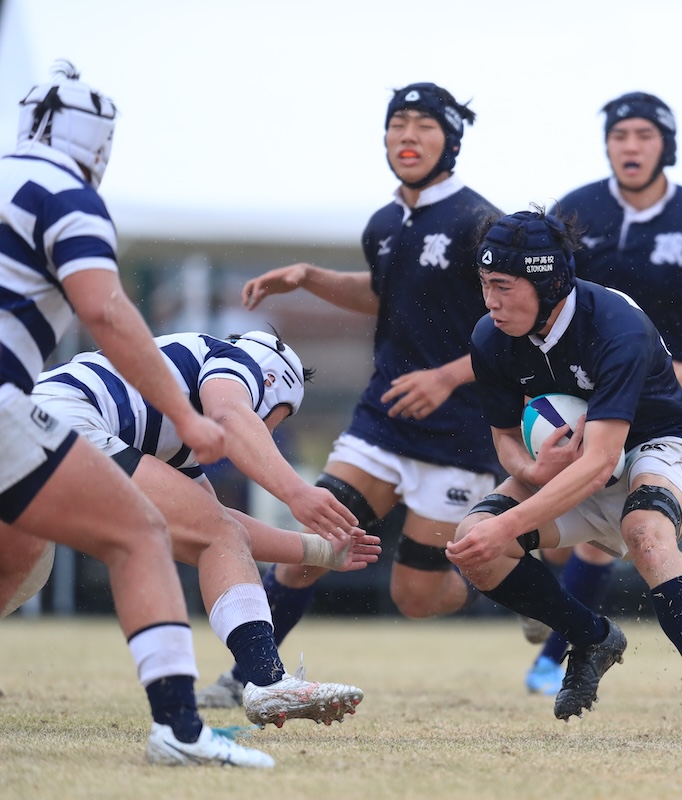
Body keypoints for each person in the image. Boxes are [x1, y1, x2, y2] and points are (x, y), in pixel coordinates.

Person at [0, 61, 271, 767]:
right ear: (97, 142)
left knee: (16, 551)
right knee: (139, 532)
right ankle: (179, 729)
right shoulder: (69, 197)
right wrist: (185, 413)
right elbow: (106, 311)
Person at [198, 82, 502, 707]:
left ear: (452, 140)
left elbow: (518, 327)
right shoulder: (385, 223)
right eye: (397, 124)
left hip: (459, 434)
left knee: (415, 598)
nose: (407, 136)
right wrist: (310, 277)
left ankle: (508, 579)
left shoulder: (482, 223)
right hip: (381, 422)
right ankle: (250, 675)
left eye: (424, 125)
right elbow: (385, 292)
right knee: (312, 545)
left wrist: (447, 376)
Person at [449, 208, 682, 743]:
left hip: (655, 446)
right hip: (576, 463)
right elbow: (505, 438)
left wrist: (510, 524)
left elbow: (599, 463)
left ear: (548, 283)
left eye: (503, 286)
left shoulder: (615, 326)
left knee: (646, 535)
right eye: (484, 283)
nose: (490, 300)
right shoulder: (490, 337)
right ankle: (591, 637)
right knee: (473, 541)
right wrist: (531, 469)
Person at [520, 91, 682, 695]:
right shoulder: (576, 211)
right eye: (619, 136)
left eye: (644, 136)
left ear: (665, 146)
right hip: (576, 394)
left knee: (628, 529)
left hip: (660, 400)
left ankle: (551, 655)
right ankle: (541, 598)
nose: (630, 146)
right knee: (568, 521)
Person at [26, 330, 373, 727]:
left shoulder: (175, 435)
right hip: (61, 419)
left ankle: (264, 680)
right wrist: (296, 491)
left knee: (17, 574)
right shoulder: (236, 361)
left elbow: (221, 526)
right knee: (211, 536)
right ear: (271, 382)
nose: (272, 431)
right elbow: (231, 417)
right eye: (280, 416)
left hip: (23, 423)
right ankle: (267, 680)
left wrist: (323, 551)